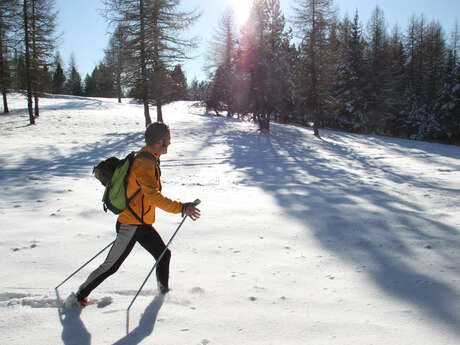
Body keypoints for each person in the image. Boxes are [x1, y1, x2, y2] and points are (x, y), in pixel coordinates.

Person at [65, 122, 201, 307]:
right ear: (159, 141)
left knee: (163, 255)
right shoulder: (144, 163)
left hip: (141, 224)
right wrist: (182, 208)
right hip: (130, 225)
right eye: (168, 140)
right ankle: (79, 295)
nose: (169, 143)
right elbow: (153, 197)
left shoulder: (149, 158)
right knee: (111, 266)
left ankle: (163, 295)